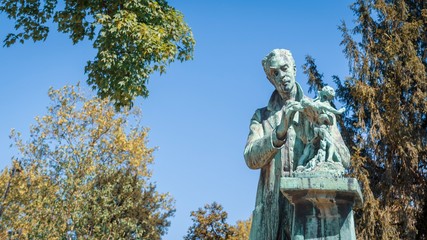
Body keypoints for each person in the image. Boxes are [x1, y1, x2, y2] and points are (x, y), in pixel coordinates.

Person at [244, 49, 310, 240]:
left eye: (284, 68)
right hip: (271, 211)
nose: (282, 76)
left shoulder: (315, 111)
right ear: (269, 79)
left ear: (294, 69)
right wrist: (278, 134)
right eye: (275, 73)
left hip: (305, 209)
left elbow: (343, 157)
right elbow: (250, 158)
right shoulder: (262, 116)